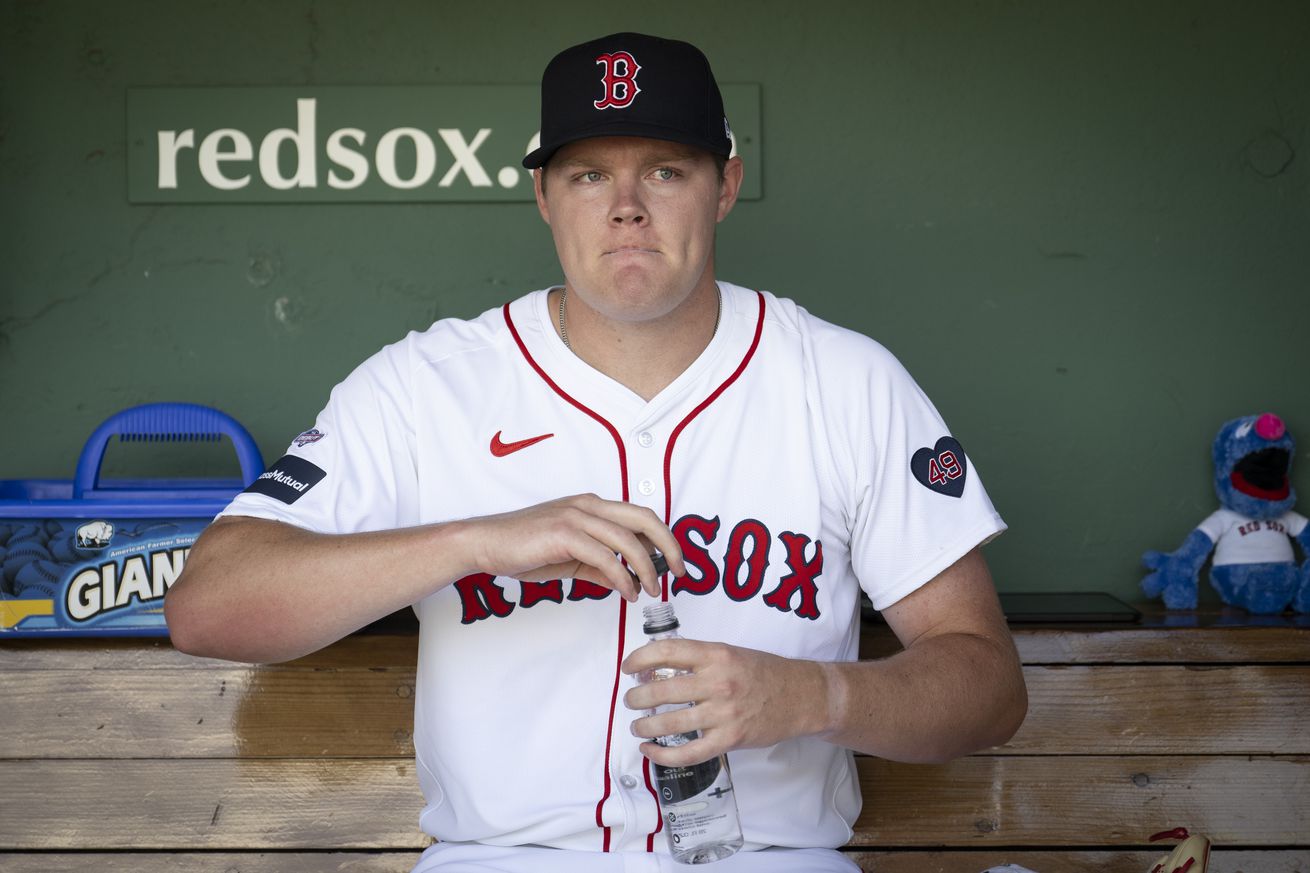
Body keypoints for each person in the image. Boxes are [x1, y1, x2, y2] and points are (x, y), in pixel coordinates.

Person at [165, 31, 1027, 873]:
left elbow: (988, 686)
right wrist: (475, 539)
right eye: (588, 174)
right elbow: (208, 607)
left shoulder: (846, 382)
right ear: (544, 195)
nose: (627, 206)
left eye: (664, 168)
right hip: (499, 861)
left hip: (770, 859)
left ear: (724, 184)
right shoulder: (423, 387)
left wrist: (813, 696)